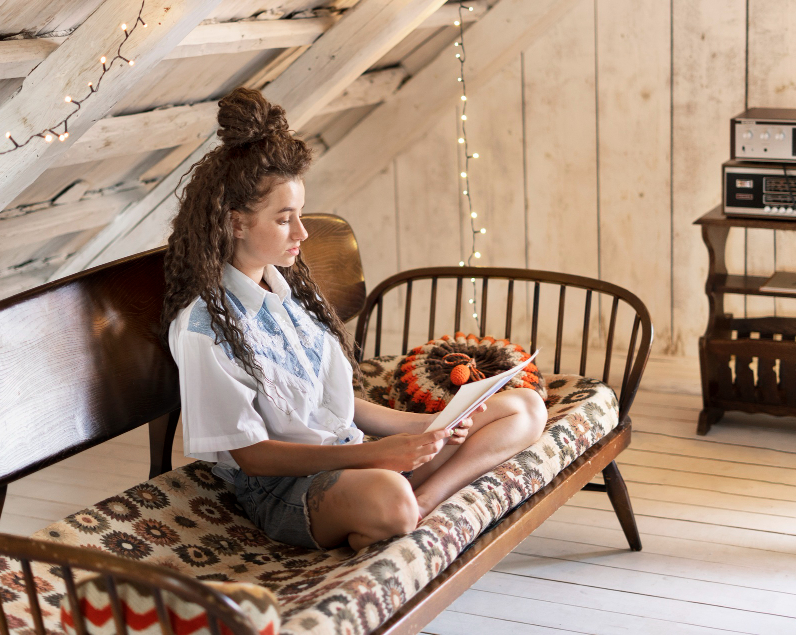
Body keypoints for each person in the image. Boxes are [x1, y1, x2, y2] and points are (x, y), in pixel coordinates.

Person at [162, 87, 547, 552]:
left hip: (352, 456)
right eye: (285, 220)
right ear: (236, 222)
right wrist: (376, 455)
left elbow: (340, 407)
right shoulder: (205, 327)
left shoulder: (288, 297)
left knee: (525, 408)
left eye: (300, 215)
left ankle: (425, 501)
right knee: (390, 500)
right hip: (285, 486)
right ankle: (405, 505)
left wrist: (426, 428)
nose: (302, 232)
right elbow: (253, 457)